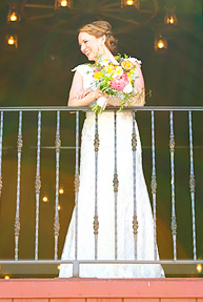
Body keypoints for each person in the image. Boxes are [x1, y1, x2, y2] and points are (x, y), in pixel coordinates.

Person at [58, 21, 164, 278]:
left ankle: (129, 261)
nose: (83, 48)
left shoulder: (130, 66)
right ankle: (90, 259)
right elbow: (73, 103)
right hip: (95, 136)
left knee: (127, 188)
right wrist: (95, 95)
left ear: (102, 37)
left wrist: (107, 98)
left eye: (86, 41)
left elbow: (137, 100)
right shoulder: (83, 70)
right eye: (80, 44)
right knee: (94, 190)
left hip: (123, 134)